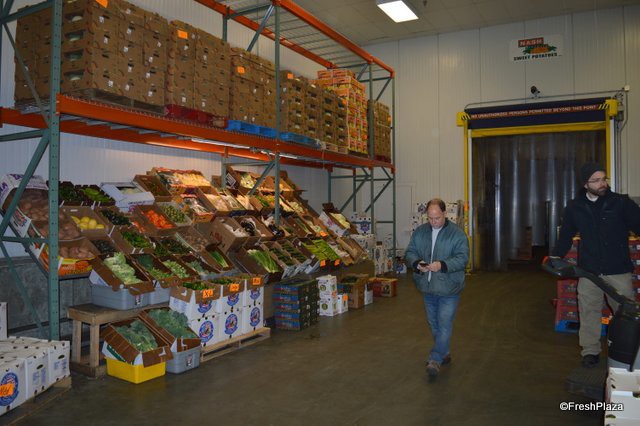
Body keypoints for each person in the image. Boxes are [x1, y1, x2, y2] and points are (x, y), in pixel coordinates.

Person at [553, 162, 640, 368]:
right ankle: (590, 351)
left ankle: (628, 350)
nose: (602, 184)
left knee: (625, 313)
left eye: (604, 179)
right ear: (585, 184)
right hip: (589, 270)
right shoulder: (575, 207)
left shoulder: (620, 203)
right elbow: (566, 235)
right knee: (589, 310)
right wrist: (556, 256)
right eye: (596, 180)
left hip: (617, 269)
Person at [405, 198, 470, 377]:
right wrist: (417, 263)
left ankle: (435, 359)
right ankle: (444, 352)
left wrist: (442, 265)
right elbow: (410, 252)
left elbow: (463, 258)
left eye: (437, 218)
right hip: (428, 288)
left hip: (449, 289)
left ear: (444, 214)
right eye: (430, 218)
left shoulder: (457, 234)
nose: (433, 222)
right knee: (434, 324)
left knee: (444, 324)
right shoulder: (420, 232)